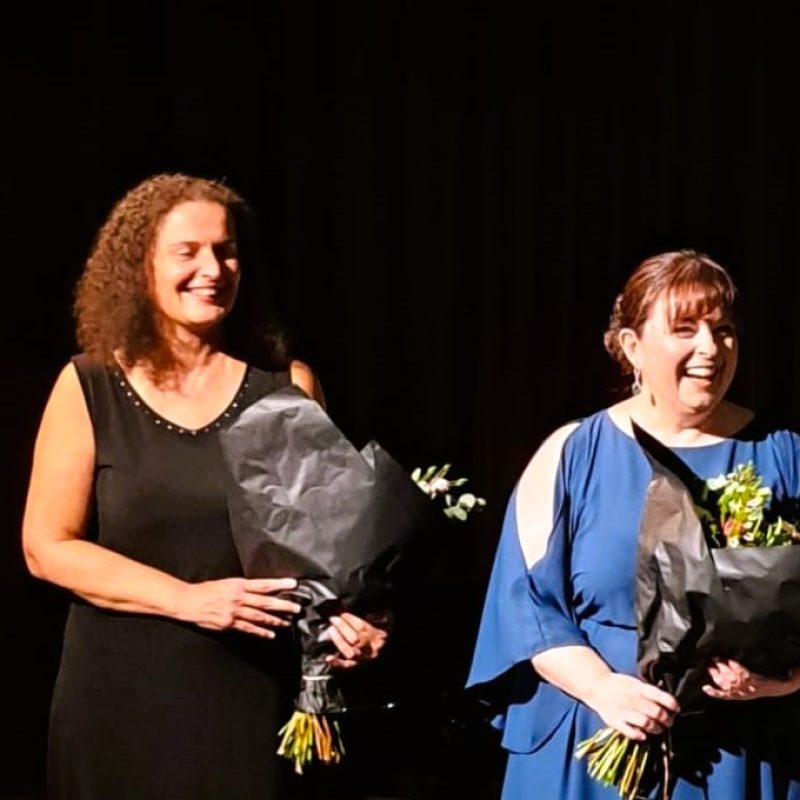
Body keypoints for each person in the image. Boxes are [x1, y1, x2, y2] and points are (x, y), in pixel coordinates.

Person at [22, 173, 387, 800]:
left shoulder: (285, 387)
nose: (212, 268)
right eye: (186, 252)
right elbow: (46, 545)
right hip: (117, 699)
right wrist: (186, 599)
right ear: (141, 267)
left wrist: (358, 620)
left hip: (246, 700)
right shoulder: (90, 386)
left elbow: (332, 555)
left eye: (225, 250)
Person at [468, 250, 800, 799]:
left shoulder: (782, 458)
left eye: (724, 331)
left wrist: (780, 680)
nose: (709, 350)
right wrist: (603, 689)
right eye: (685, 329)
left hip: (737, 753)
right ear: (631, 347)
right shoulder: (572, 454)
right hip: (591, 740)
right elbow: (525, 606)